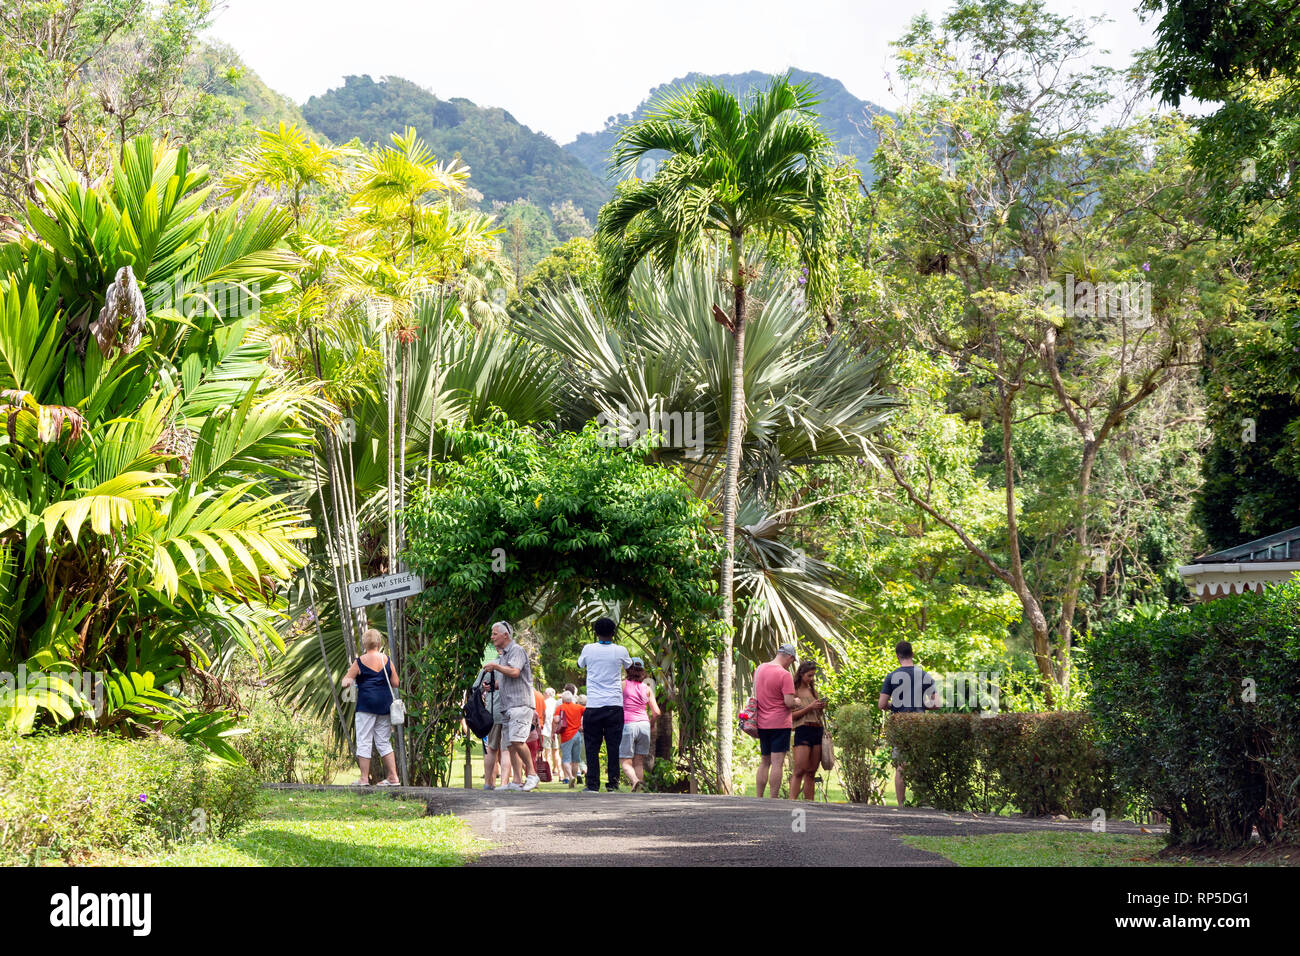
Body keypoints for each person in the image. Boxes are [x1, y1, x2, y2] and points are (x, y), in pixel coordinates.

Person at [878, 640, 939, 807]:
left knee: (901, 767)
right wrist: (921, 704)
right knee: (920, 763)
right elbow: (937, 703)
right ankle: (923, 802)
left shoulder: (891, 676)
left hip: (900, 725)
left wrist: (894, 705)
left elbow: (882, 704)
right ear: (912, 654)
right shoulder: (924, 675)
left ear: (898, 656)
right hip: (919, 724)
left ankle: (901, 804)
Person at [482, 620, 540, 791]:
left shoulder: (516, 651)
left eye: (494, 634)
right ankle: (516, 781)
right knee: (510, 745)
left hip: (520, 704)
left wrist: (495, 666)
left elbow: (514, 672)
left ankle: (532, 774)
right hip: (507, 706)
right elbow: (506, 680)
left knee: (517, 740)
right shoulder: (504, 655)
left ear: (505, 635)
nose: (492, 637)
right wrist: (492, 686)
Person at [577, 617, 631, 792]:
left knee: (592, 746)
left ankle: (592, 784)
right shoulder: (620, 650)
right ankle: (613, 784)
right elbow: (629, 665)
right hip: (615, 706)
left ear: (595, 632)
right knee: (613, 746)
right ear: (614, 633)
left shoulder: (588, 649)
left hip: (593, 705)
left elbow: (580, 664)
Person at [342, 628, 400, 786]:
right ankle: (393, 777)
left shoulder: (359, 661)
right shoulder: (386, 660)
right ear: (379, 643)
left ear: (364, 643)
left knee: (364, 741)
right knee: (383, 741)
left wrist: (348, 682)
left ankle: (364, 778)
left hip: (366, 706)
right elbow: (395, 683)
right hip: (385, 706)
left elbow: (346, 680)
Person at [753, 642, 799, 798]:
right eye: (792, 661)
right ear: (789, 657)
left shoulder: (759, 669)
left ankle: (759, 797)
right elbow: (788, 702)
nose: (791, 664)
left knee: (764, 761)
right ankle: (773, 799)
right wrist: (797, 702)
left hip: (762, 723)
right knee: (777, 762)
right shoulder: (784, 675)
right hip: (780, 724)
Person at [619, 658, 661, 791]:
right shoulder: (647, 689)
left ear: (627, 669)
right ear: (642, 671)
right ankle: (639, 792)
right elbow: (657, 712)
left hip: (628, 724)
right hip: (644, 725)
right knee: (638, 762)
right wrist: (652, 724)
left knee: (625, 762)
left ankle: (635, 780)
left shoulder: (623, 685)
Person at [471, 655, 512, 790]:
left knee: (491, 749)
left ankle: (489, 783)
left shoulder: (490, 666)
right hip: (509, 711)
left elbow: (476, 687)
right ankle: (504, 783)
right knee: (506, 751)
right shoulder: (512, 666)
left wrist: (485, 688)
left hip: (492, 713)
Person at [789, 660, 827, 800]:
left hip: (817, 729)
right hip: (803, 729)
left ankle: (809, 802)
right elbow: (791, 716)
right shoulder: (794, 690)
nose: (811, 679)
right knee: (799, 770)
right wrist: (809, 707)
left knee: (811, 771)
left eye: (813, 676)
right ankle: (792, 801)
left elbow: (817, 714)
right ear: (801, 674)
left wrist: (820, 707)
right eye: (809, 676)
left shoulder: (812, 690)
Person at [557, 689, 585, 788]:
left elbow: (556, 720)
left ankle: (570, 777)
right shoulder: (579, 707)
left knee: (566, 759)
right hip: (577, 735)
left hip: (566, 736)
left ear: (563, 700)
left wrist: (553, 732)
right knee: (575, 760)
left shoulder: (560, 708)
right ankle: (574, 777)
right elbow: (587, 714)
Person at [542, 687, 563, 782]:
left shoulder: (544, 703)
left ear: (547, 694)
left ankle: (549, 773)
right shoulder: (556, 703)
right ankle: (560, 773)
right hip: (555, 731)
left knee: (547, 753)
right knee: (556, 752)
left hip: (546, 730)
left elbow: (544, 716)